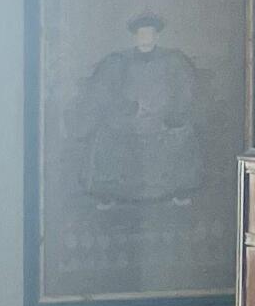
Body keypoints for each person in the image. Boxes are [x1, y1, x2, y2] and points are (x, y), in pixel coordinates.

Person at [71, 12, 204, 208]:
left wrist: (171, 112)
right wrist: (127, 108)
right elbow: (105, 91)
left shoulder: (173, 60)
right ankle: (109, 193)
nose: (146, 38)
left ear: (156, 36)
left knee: (182, 135)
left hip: (162, 119)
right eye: (142, 34)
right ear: (135, 36)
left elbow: (185, 90)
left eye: (150, 33)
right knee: (106, 137)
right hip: (129, 118)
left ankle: (178, 191)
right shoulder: (118, 61)